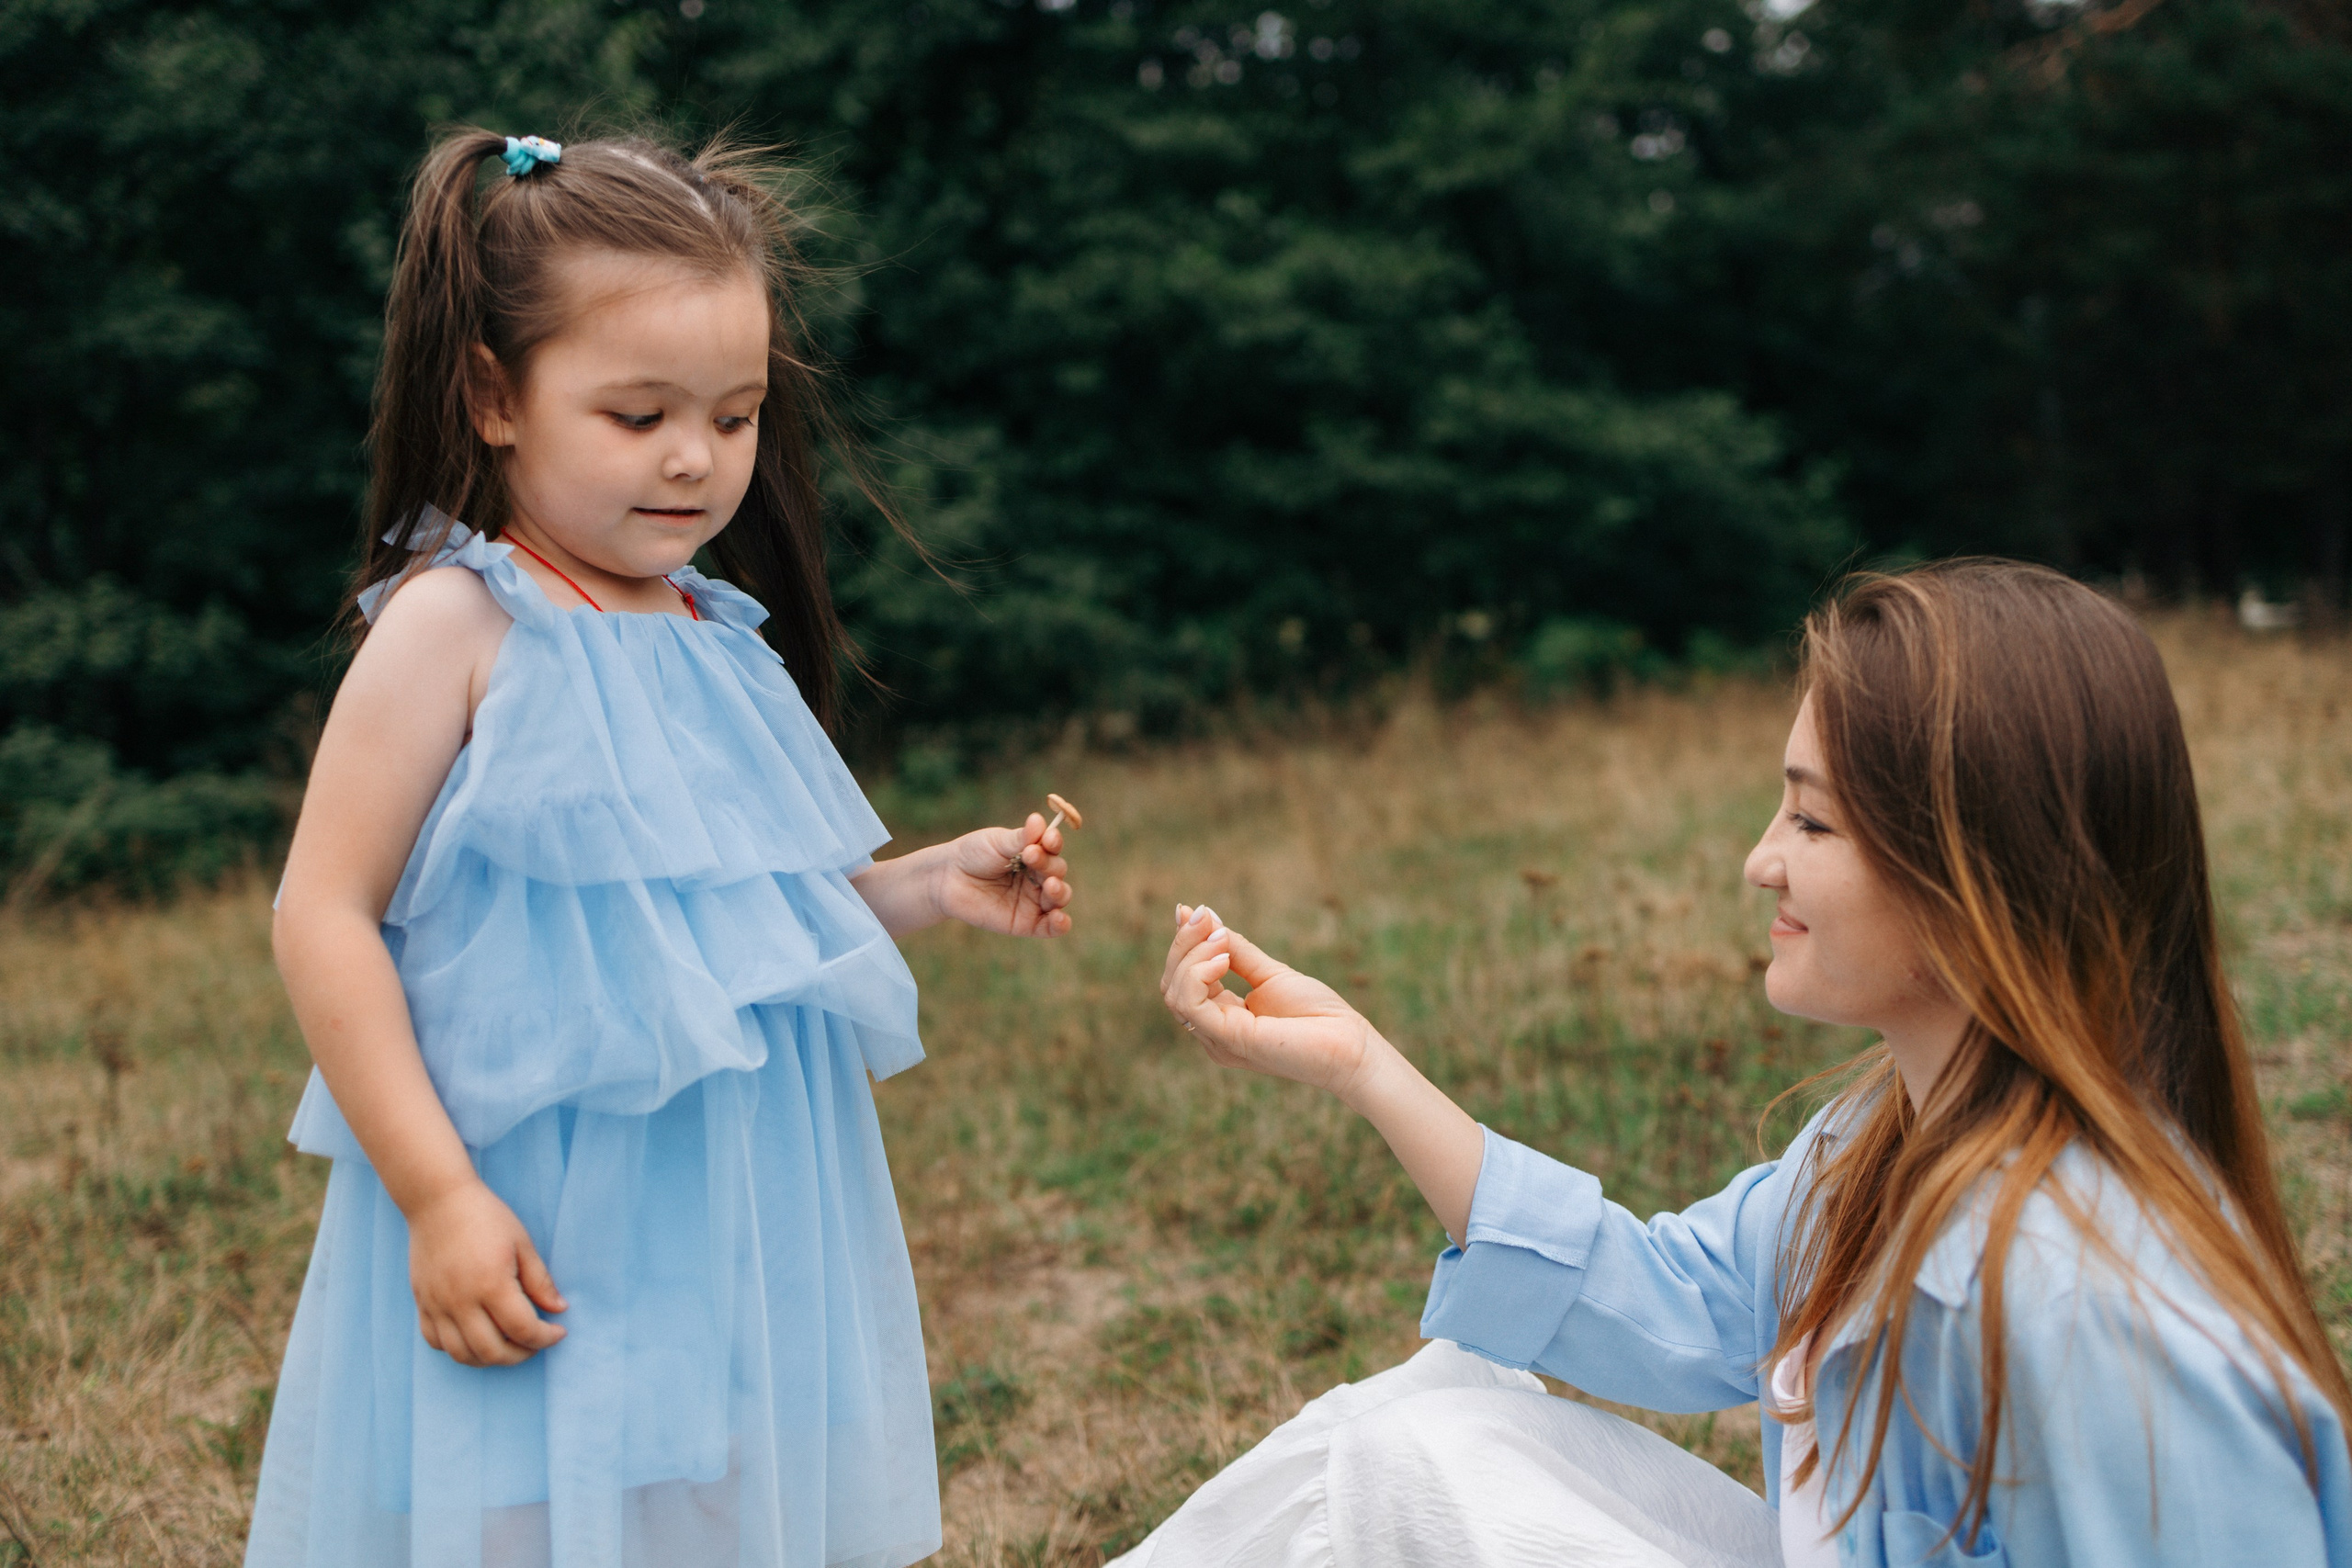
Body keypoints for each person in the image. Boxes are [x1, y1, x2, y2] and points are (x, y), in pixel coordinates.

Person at [1143, 561, 2352, 1567]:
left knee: (1404, 1469)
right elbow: (1657, 1302)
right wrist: (1364, 1065)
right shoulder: (1871, 1147)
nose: (1758, 862)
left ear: (1978, 873)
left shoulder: (2099, 1311)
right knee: (1422, 1414)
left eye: (1813, 822)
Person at [246, 129, 1076, 1568]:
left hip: (724, 1208)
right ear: (493, 397)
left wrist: (926, 884)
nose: (698, 458)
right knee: (522, 1504)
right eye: (639, 416)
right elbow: (323, 911)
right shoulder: (459, 622)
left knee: (703, 1504)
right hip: (535, 1200)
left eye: (737, 415)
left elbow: (737, 925)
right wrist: (438, 1195)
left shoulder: (713, 635)